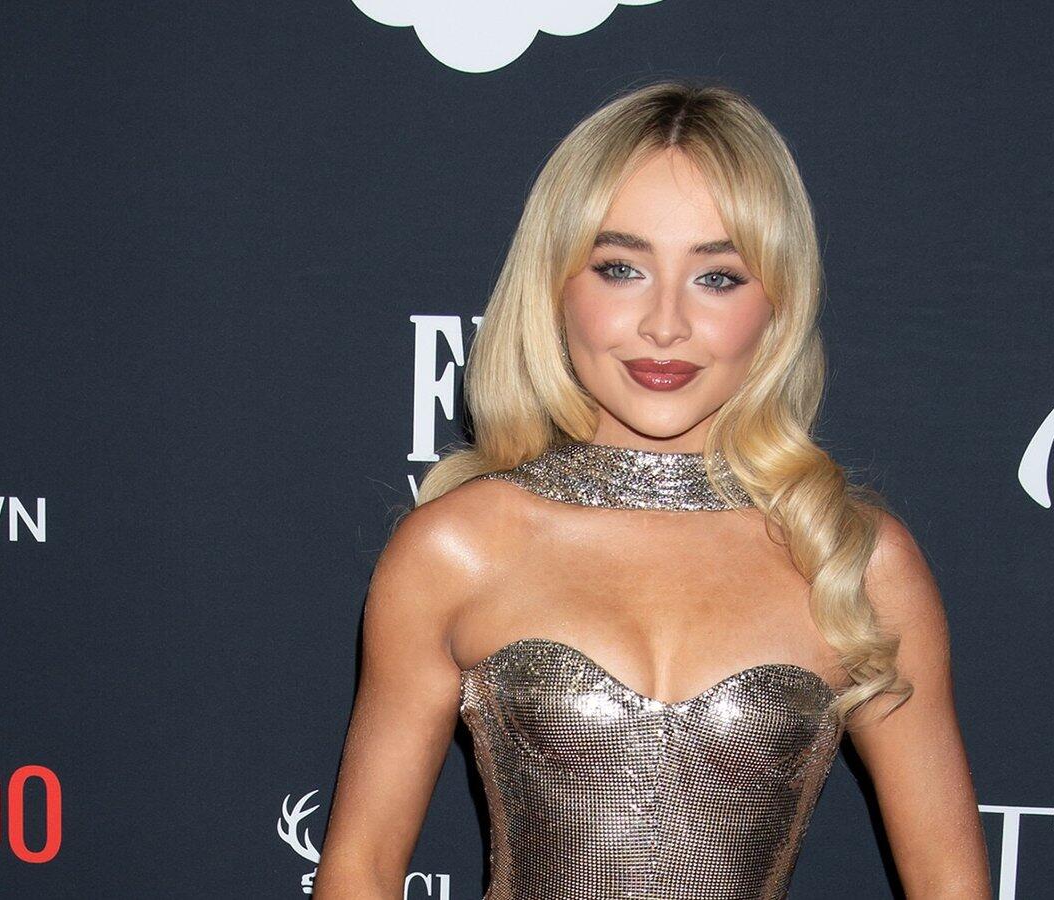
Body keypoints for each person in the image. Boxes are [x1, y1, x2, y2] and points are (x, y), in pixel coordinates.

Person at [314, 79, 991, 899]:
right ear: (555, 287)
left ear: (778, 303)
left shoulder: (853, 559)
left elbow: (952, 884)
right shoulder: (459, 548)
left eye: (718, 277)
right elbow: (359, 872)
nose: (664, 323)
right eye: (621, 269)